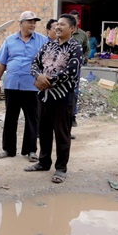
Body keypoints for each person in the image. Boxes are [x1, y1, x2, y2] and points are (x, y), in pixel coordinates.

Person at [25, 14, 83, 183]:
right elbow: (34, 64)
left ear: (72, 29)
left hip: (63, 97)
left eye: (62, 25)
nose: (58, 27)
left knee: (62, 134)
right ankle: (43, 162)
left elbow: (72, 72)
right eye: (57, 24)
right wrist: (38, 76)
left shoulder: (75, 47)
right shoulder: (48, 45)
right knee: (43, 131)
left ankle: (60, 169)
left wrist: (46, 81)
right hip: (44, 97)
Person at [0, 11, 48, 162]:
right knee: (10, 118)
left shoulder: (42, 40)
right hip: (12, 85)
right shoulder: (10, 40)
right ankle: (8, 149)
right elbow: (2, 63)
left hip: (32, 87)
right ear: (21, 23)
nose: (33, 24)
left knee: (32, 119)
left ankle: (30, 150)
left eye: (34, 21)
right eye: (29, 21)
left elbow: (48, 62)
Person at [68, 10, 88, 130]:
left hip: (76, 69)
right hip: (63, 67)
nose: (73, 22)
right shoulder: (64, 32)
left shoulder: (82, 35)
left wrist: (83, 60)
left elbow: (87, 49)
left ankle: (72, 116)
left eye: (75, 19)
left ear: (79, 21)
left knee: (74, 92)